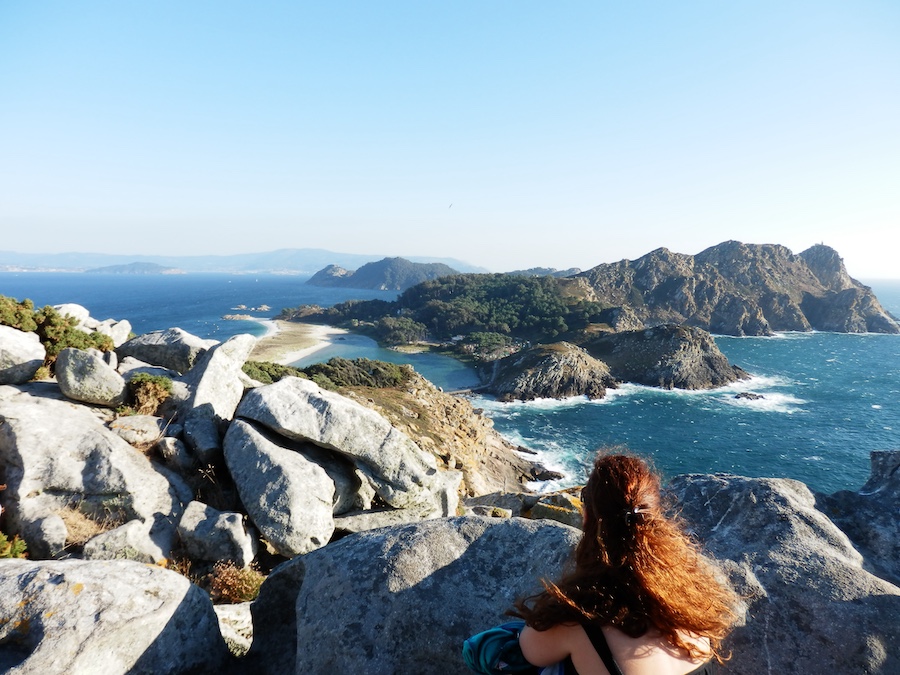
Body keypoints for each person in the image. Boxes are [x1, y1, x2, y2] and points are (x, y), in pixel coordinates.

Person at [511, 453, 740, 675]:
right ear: (656, 515)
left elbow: (530, 651)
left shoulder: (577, 619)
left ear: (588, 517)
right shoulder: (696, 601)